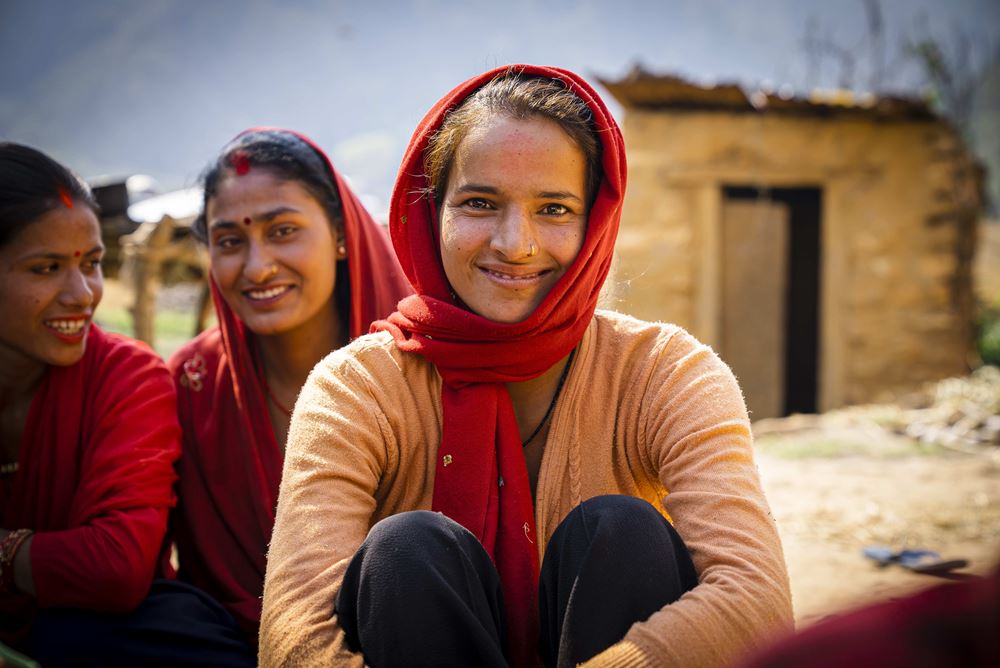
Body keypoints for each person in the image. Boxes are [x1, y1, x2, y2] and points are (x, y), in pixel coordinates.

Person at [260, 65, 793, 667]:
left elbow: (757, 600)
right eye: (480, 203)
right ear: (432, 213)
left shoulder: (667, 374)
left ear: (596, 222)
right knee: (407, 550)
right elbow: (294, 636)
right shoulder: (357, 389)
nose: (515, 243)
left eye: (555, 209)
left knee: (621, 533)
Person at [0, 142, 252, 667]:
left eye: (91, 264)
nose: (82, 293)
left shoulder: (126, 377)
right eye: (46, 267)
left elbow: (116, 567)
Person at [167, 128, 410, 644]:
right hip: (230, 645)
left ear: (341, 235)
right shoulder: (193, 384)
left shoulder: (417, 365)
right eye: (230, 241)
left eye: (282, 231)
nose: (257, 267)